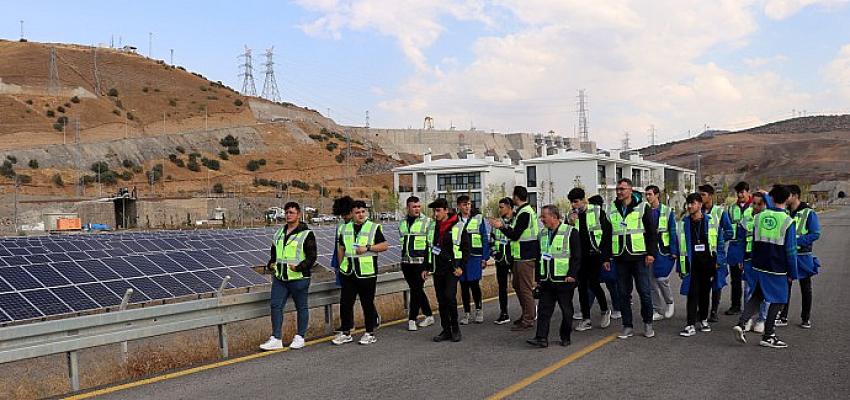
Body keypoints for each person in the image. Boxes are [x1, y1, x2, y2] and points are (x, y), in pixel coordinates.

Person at [733, 185, 798, 348]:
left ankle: (741, 323)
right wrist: (793, 272)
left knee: (757, 295)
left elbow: (754, 242)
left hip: (759, 265)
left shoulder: (758, 217)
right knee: (779, 299)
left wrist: (753, 262)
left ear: (771, 199)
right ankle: (768, 335)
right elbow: (791, 251)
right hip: (777, 267)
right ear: (787, 198)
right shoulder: (787, 221)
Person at [260, 202, 317, 351]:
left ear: (298, 214)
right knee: (275, 306)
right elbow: (274, 255)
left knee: (301, 307)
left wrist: (298, 268)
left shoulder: (306, 234)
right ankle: (276, 338)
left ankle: (300, 337)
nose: (288, 215)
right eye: (286, 213)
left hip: (299, 278)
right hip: (280, 279)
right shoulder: (278, 233)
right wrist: (270, 264)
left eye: (291, 212)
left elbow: (312, 257)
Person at [605, 178, 658, 339]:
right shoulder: (612, 209)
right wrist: (605, 257)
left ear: (630, 190)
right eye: (618, 189)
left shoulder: (642, 207)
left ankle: (648, 323)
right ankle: (627, 326)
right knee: (623, 293)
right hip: (620, 257)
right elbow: (607, 235)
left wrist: (651, 253)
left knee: (644, 292)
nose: (619, 192)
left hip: (639, 257)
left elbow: (651, 232)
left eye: (622, 189)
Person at [332, 200, 389, 346]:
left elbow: (384, 246)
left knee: (367, 303)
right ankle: (346, 333)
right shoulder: (345, 228)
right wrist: (340, 266)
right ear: (352, 213)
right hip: (348, 272)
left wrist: (368, 247)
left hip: (367, 272)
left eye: (363, 211)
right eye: (357, 212)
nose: (361, 214)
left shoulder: (373, 227)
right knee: (345, 303)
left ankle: (369, 333)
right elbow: (341, 248)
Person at [527, 205, 582, 348]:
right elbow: (539, 258)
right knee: (544, 310)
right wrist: (537, 279)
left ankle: (565, 336)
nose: (541, 219)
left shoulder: (571, 232)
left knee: (566, 311)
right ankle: (541, 338)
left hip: (564, 280)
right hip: (547, 280)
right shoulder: (542, 234)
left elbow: (577, 256)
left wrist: (572, 274)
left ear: (554, 217)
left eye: (544, 216)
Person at [490, 186, 540, 331]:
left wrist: (501, 227)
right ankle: (526, 314)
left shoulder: (525, 213)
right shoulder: (522, 212)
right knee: (517, 285)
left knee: (524, 288)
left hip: (526, 255)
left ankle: (529, 318)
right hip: (519, 255)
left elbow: (515, 235)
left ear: (516, 197)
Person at [676, 193, 726, 337]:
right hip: (692, 264)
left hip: (708, 263)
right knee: (692, 293)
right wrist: (680, 267)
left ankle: (704, 320)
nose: (689, 206)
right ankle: (690, 324)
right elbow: (679, 247)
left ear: (700, 205)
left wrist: (719, 261)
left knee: (705, 293)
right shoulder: (683, 223)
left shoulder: (711, 221)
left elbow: (720, 242)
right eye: (688, 203)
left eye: (692, 203)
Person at [567, 188, 612, 332]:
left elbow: (607, 235)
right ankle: (586, 319)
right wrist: (571, 223)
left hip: (595, 254)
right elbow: (567, 235)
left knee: (593, 284)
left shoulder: (597, 212)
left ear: (583, 200)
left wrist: (605, 257)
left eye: (576, 202)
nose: (573, 205)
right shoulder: (571, 215)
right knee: (581, 287)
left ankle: (605, 310)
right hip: (579, 256)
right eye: (571, 202)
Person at [777, 184, 821, 328]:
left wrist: (796, 241)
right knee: (785, 286)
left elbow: (815, 234)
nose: (786, 197)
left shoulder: (809, 213)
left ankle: (805, 318)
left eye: (788, 195)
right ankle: (783, 316)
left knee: (805, 287)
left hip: (803, 255)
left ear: (795, 195)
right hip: (787, 255)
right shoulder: (785, 212)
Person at [426, 198, 469, 342]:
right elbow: (429, 248)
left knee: (450, 297)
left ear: (446, 210)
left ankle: (455, 329)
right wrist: (426, 267)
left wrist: (461, 267)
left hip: (452, 268)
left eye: (438, 211)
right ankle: (446, 330)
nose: (435, 214)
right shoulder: (433, 226)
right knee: (441, 300)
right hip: (437, 268)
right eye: (434, 211)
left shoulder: (458, 226)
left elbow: (466, 248)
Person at [399, 196, 435, 331]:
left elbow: (430, 245)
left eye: (419, 206)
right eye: (414, 207)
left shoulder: (428, 222)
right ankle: (429, 315)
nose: (417, 209)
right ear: (408, 207)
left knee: (415, 290)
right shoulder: (402, 223)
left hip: (420, 263)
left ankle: (412, 319)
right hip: (406, 262)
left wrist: (428, 266)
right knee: (417, 290)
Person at [698, 184, 734, 322]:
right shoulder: (697, 210)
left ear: (711, 196)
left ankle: (714, 311)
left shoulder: (720, 212)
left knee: (717, 283)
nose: (701, 197)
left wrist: (719, 240)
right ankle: (701, 310)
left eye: (703, 195)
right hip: (701, 253)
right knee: (702, 283)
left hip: (717, 253)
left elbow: (729, 231)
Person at [645, 185, 678, 321]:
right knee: (651, 282)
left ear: (657, 195)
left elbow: (673, 231)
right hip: (649, 250)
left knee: (661, 279)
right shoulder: (644, 210)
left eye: (650, 194)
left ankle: (669, 302)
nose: (648, 197)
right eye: (646, 194)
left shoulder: (667, 211)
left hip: (663, 250)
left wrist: (674, 250)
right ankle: (657, 309)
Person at [456, 195, 490, 324]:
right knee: (464, 285)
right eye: (464, 204)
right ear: (459, 206)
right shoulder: (455, 220)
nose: (467, 207)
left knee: (474, 284)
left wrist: (484, 257)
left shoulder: (478, 218)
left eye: (469, 204)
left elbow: (484, 238)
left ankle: (479, 310)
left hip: (475, 257)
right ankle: (466, 313)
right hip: (460, 258)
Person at [589, 194, 622, 320]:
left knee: (609, 283)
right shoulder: (603, 215)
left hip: (603, 254)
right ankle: (617, 308)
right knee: (604, 283)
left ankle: (617, 308)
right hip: (602, 254)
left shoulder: (603, 216)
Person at [741, 191, 769, 333]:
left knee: (763, 291)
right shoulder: (746, 214)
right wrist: (740, 258)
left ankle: (761, 319)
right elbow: (741, 237)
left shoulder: (769, 217)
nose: (756, 207)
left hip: (764, 259)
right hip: (748, 258)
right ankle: (747, 319)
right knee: (748, 290)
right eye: (754, 203)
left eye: (760, 204)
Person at [724, 181, 753, 316]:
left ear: (748, 192)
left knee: (749, 279)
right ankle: (735, 305)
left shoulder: (754, 206)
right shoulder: (731, 208)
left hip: (749, 247)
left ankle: (750, 307)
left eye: (742, 192)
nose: (740, 195)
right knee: (735, 279)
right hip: (735, 247)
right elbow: (727, 226)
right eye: (738, 193)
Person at [491, 197, 515, 324]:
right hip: (500, 259)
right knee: (502, 287)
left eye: (502, 207)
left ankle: (529, 310)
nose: (499, 210)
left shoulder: (517, 221)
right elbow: (491, 240)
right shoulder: (497, 223)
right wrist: (495, 253)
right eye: (499, 207)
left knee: (520, 286)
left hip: (514, 258)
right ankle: (504, 313)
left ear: (509, 207)